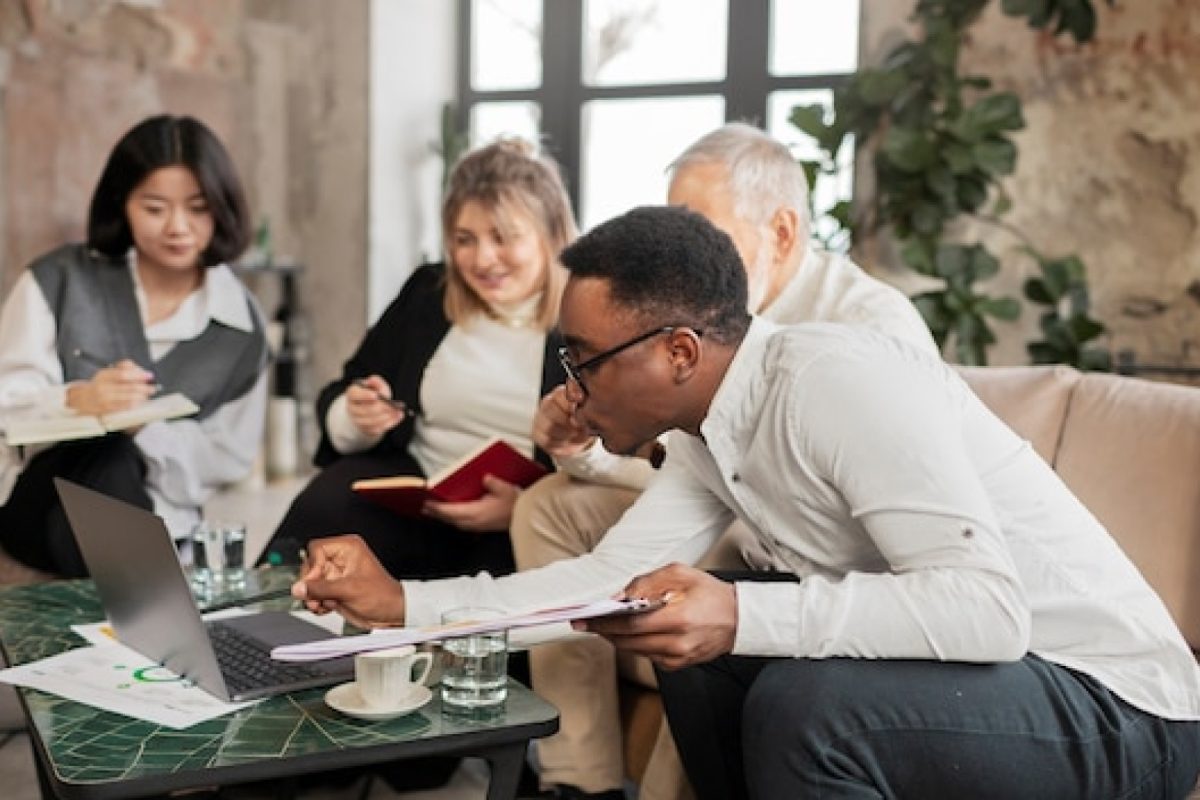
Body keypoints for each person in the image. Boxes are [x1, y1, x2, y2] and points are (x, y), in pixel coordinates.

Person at [293, 205, 1200, 799]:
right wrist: (405, 607)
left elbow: (989, 611)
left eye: (584, 357)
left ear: (680, 352)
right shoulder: (712, 430)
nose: (568, 386)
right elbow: (608, 580)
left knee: (803, 703)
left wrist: (738, 609)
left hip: (1122, 704)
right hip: (1006, 687)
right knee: (682, 640)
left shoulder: (833, 384)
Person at [511, 122, 937, 799]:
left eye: (706, 236)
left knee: (688, 575)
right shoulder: (693, 320)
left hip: (808, 559)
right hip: (723, 514)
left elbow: (851, 535)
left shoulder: (870, 331)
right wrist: (586, 444)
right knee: (547, 508)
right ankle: (579, 781)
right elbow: (689, 466)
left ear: (783, 234)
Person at [263, 137, 574, 584]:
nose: (483, 259)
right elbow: (346, 388)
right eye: (465, 240)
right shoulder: (429, 293)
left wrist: (525, 507)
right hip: (417, 499)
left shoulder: (585, 318)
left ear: (551, 237)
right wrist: (356, 415)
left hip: (516, 522)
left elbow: (607, 462)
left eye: (503, 238)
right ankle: (248, 621)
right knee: (326, 503)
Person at [0, 115, 268, 577]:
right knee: (105, 457)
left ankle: (122, 616)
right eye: (155, 208)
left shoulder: (242, 329)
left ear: (222, 208)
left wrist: (144, 429)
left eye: (198, 208)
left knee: (120, 461)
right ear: (122, 204)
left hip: (164, 519)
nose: (178, 227)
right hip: (37, 506)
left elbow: (225, 461)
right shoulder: (58, 279)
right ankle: (152, 615)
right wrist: (74, 402)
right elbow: (6, 402)